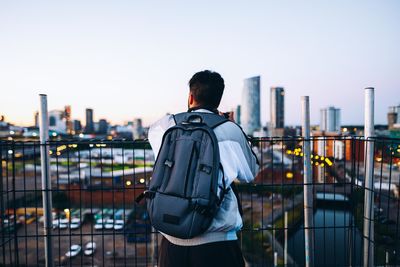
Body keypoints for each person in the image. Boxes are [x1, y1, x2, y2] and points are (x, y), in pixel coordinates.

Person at [148, 70, 259, 267]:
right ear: (218, 100)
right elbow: (250, 173)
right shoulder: (230, 130)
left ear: (190, 96)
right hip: (216, 244)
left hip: (171, 242)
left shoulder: (165, 126)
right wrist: (232, 125)